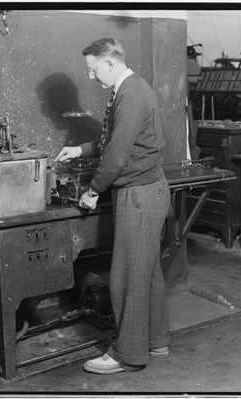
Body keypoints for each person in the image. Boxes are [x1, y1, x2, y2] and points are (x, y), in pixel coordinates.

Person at [54, 38, 171, 374]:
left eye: (92, 70)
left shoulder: (131, 94)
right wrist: (82, 150)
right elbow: (115, 140)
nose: (91, 77)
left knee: (125, 276)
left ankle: (129, 353)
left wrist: (93, 190)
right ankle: (156, 340)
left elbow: (118, 155)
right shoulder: (128, 90)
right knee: (146, 272)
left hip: (139, 194)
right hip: (145, 190)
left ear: (109, 63)